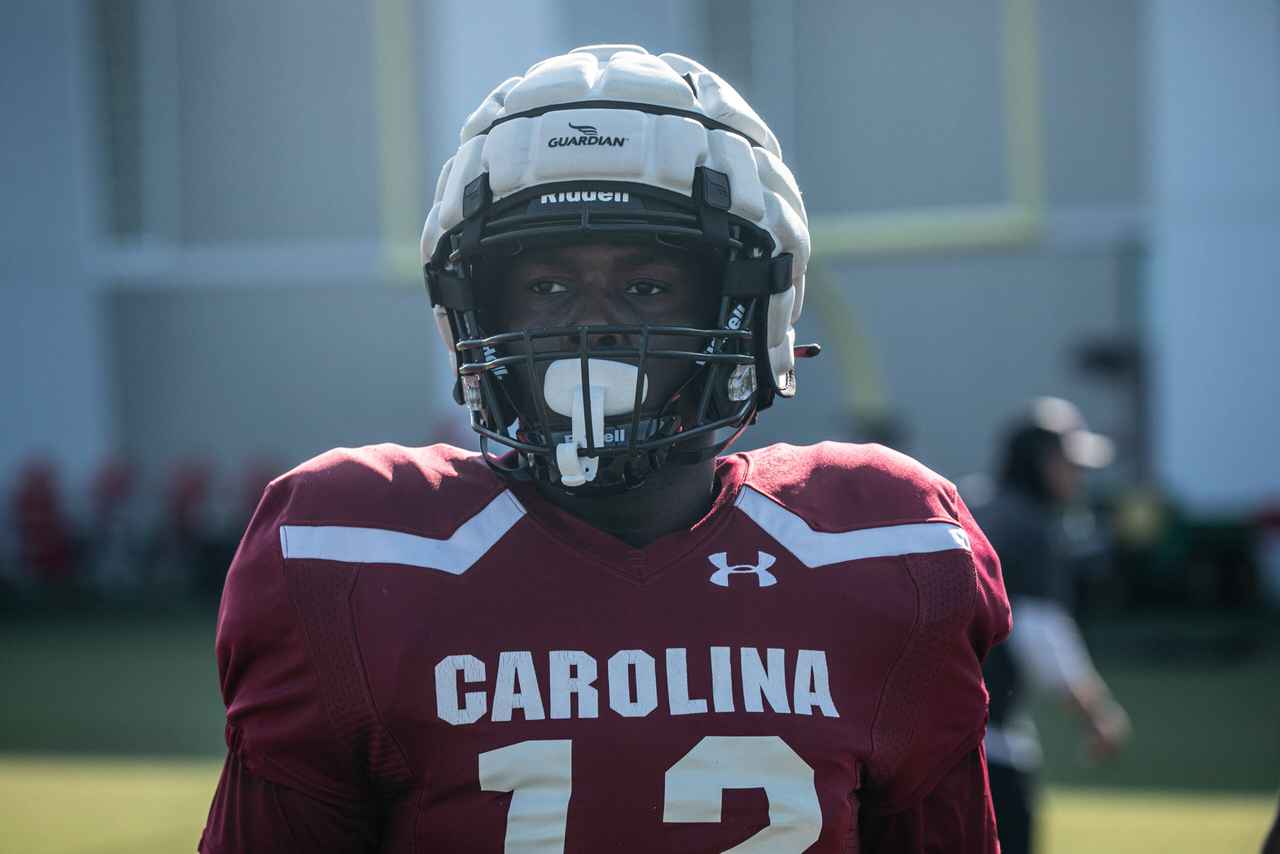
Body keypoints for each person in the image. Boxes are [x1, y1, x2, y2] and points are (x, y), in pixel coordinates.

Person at [200, 45, 1010, 852]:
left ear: (748, 313)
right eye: (547, 286)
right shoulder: (351, 553)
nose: (594, 323)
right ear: (475, 311)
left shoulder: (886, 551)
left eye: (647, 287)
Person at [977, 398, 1131, 854]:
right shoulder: (1029, 530)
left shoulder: (971, 505)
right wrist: (1098, 717)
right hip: (986, 751)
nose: (1079, 478)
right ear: (1045, 464)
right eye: (1071, 466)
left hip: (915, 748)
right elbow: (1042, 640)